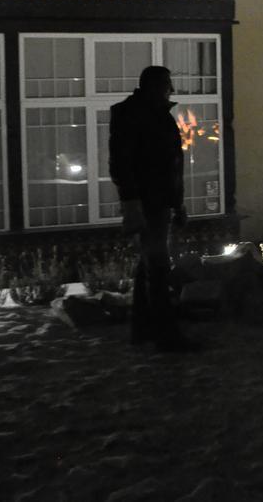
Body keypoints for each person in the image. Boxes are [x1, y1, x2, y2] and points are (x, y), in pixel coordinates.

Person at [109, 65, 196, 351]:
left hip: (157, 200)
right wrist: (133, 202)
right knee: (157, 268)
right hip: (148, 202)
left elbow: (171, 165)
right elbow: (122, 163)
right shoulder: (134, 115)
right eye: (168, 84)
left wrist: (177, 202)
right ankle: (165, 336)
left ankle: (144, 329)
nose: (172, 89)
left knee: (149, 267)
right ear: (155, 86)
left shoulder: (154, 114)